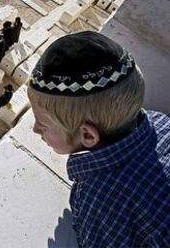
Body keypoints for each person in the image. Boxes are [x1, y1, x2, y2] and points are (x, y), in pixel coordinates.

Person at [28, 31, 170, 247]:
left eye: (43, 124)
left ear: (87, 135)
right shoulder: (161, 122)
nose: (36, 130)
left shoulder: (101, 198)